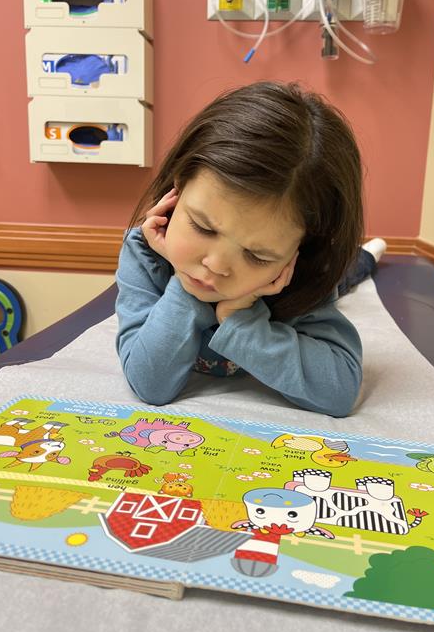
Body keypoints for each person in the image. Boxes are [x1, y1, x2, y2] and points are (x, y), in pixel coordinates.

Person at [115, 81, 380, 417]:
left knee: (350, 271)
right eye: (202, 226)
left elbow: (339, 390)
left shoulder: (308, 273)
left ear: (298, 252)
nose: (215, 265)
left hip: (329, 273)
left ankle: (366, 256)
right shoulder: (144, 252)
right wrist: (187, 288)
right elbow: (149, 382)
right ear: (177, 189)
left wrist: (240, 316)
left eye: (257, 255)